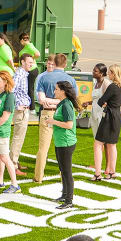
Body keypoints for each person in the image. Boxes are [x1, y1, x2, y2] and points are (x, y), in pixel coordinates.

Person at [33, 54, 75, 182]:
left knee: (43, 147)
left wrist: (49, 101)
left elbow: (41, 99)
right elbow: (72, 99)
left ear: (54, 63)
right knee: (62, 145)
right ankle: (63, 175)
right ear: (65, 64)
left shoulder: (44, 77)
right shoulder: (70, 79)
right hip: (63, 112)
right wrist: (57, 101)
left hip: (47, 112)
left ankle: (38, 176)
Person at [47, 80, 80, 210]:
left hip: (66, 142)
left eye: (56, 89)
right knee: (63, 170)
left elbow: (69, 125)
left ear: (62, 91)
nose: (54, 91)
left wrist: (53, 121)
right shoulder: (63, 103)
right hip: (60, 141)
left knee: (67, 172)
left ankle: (69, 200)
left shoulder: (66, 105)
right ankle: (64, 195)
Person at [92, 65, 121, 180]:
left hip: (108, 116)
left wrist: (105, 103)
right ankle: (112, 171)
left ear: (113, 74)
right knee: (112, 145)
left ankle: (97, 173)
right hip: (117, 116)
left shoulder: (112, 86)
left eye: (110, 73)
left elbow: (101, 101)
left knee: (98, 144)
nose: (109, 75)